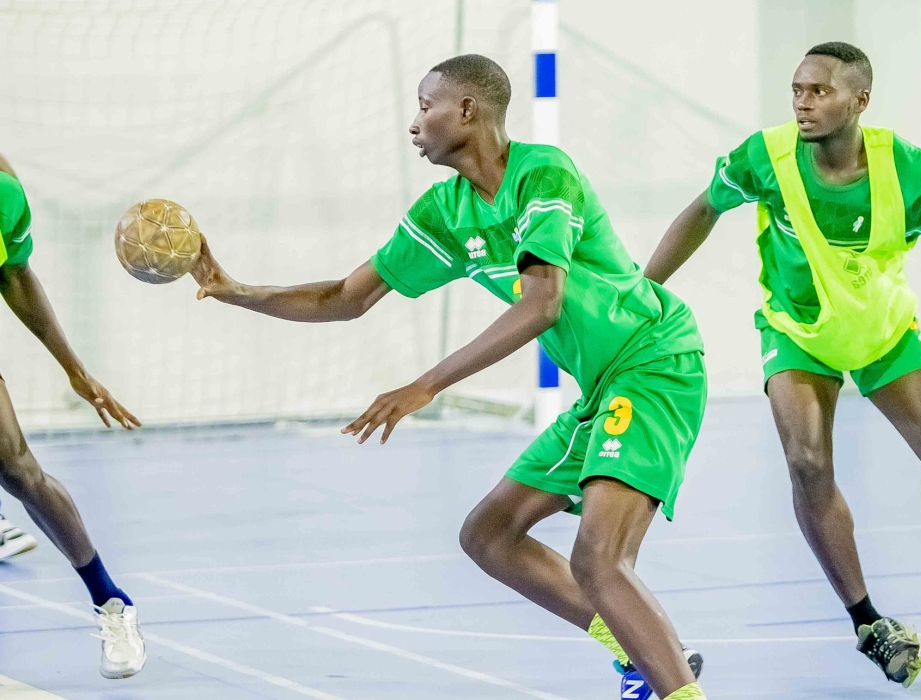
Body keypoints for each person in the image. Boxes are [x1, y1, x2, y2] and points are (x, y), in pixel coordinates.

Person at [189, 54, 709, 700]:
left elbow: (541, 301)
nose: (414, 124)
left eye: (425, 104)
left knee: (599, 558)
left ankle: (677, 687)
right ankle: (643, 649)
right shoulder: (445, 210)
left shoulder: (544, 174)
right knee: (488, 536)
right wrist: (237, 290)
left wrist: (426, 383)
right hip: (603, 387)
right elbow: (347, 298)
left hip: (654, 362)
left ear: (467, 110)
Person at [644, 41, 921, 688]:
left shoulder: (908, 170)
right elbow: (703, 210)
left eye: (820, 91)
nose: (803, 101)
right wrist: (642, 294)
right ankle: (868, 622)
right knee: (806, 463)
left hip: (884, 329)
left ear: (860, 101)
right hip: (797, 332)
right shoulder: (764, 158)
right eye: (798, 89)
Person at [0, 151, 146, 678]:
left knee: (19, 473)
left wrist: (74, 369)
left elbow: (15, 277)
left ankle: (111, 603)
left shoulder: (4, 197)